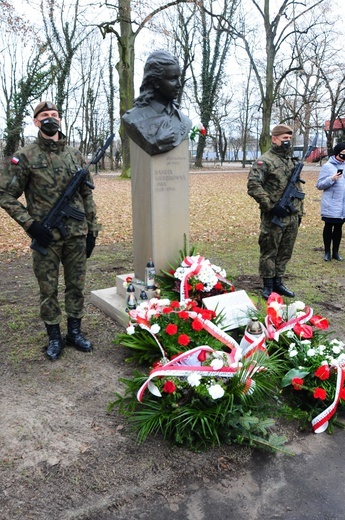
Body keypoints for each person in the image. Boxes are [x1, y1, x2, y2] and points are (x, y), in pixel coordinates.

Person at [0, 101, 99, 361]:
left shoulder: (75, 155)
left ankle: (74, 332)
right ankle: (55, 337)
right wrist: (30, 224)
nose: (50, 119)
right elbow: (5, 194)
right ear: (36, 122)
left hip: (76, 234)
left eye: (54, 115)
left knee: (76, 286)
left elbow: (86, 195)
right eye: (44, 116)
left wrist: (92, 231)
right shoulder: (25, 156)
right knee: (48, 289)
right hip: (46, 235)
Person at [247, 124, 304, 300]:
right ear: (274, 139)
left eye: (289, 139)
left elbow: (296, 187)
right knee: (269, 251)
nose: (287, 142)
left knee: (285, 251)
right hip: (274, 216)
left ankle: (278, 281)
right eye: (284, 139)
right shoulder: (265, 161)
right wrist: (271, 206)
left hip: (292, 216)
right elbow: (253, 186)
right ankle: (268, 284)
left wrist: (299, 213)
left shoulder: (290, 160)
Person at [122, 50, 192, 156]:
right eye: (173, 79)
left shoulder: (184, 121)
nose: (179, 84)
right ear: (155, 82)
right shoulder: (132, 118)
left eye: (178, 78)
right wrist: (156, 141)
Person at [316, 142, 345, 261]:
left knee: (339, 228)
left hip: (343, 204)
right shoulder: (327, 166)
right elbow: (319, 185)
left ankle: (336, 252)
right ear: (337, 153)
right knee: (328, 226)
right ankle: (327, 251)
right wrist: (331, 179)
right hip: (331, 203)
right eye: (342, 155)